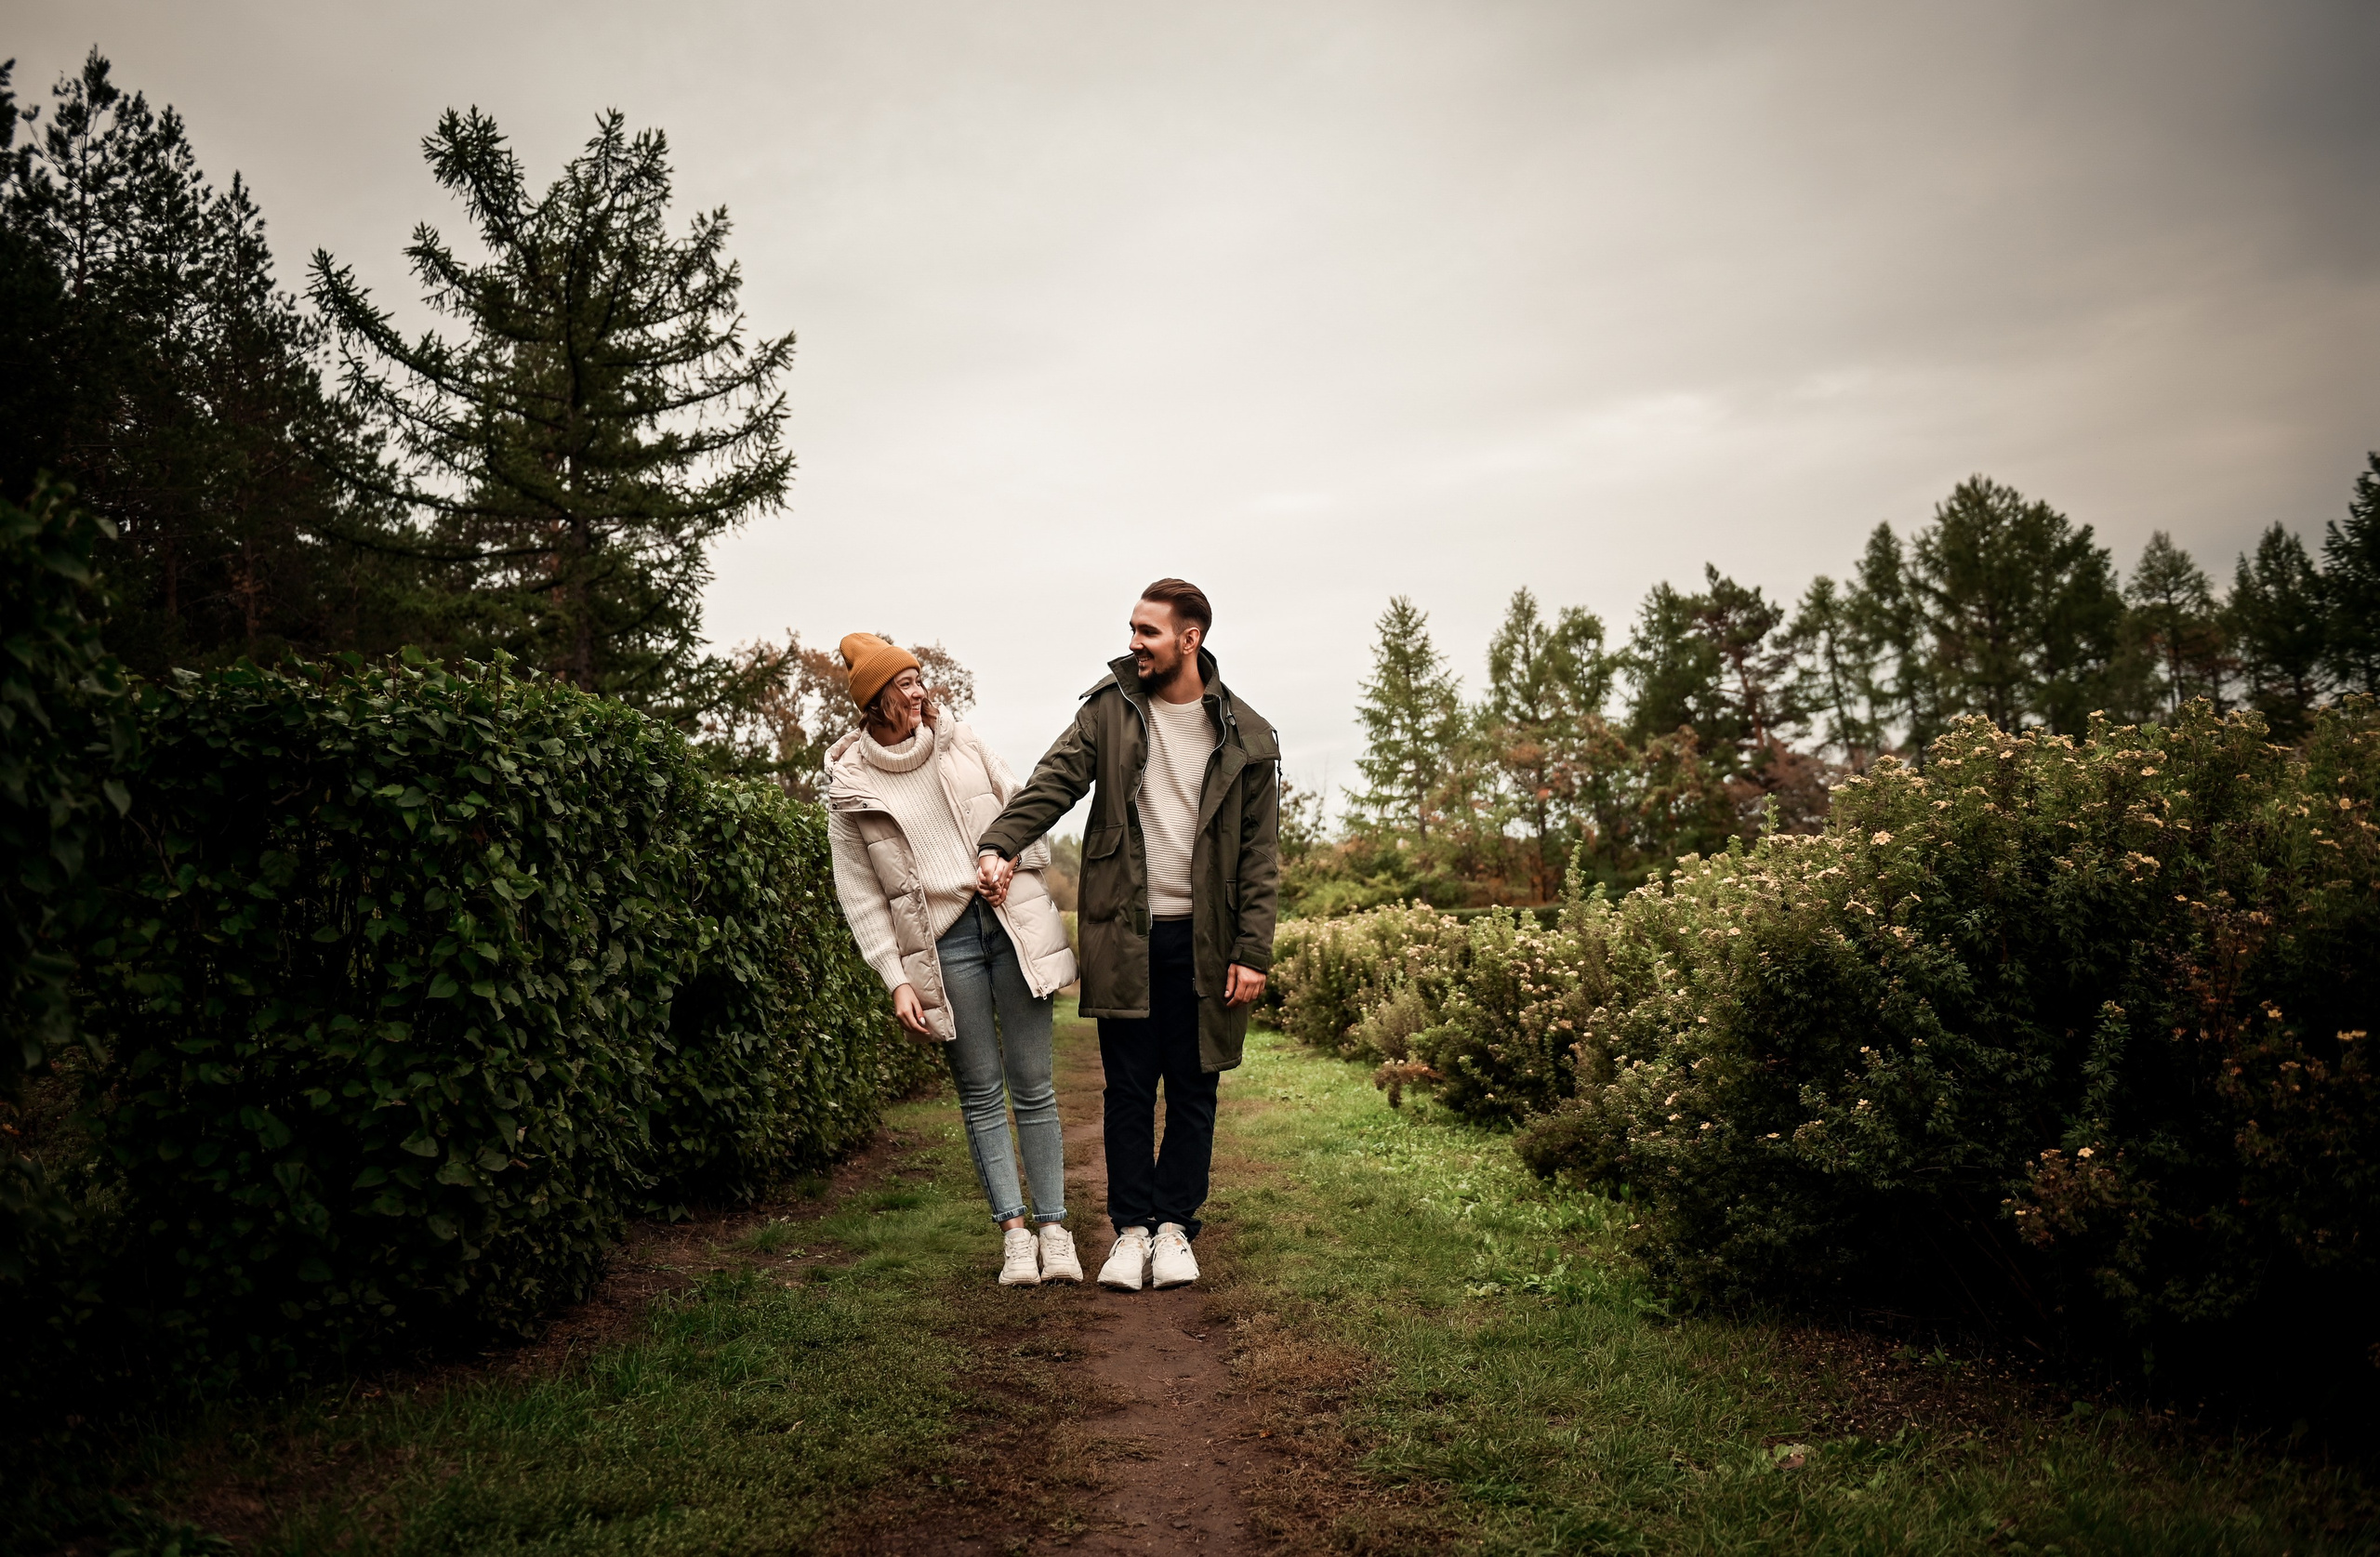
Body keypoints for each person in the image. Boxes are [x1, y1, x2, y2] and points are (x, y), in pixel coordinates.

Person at [975, 579, 1280, 1293]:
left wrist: (1253, 948)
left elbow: (1260, 856)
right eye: (1134, 628)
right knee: (1129, 1090)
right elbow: (1053, 782)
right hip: (1126, 934)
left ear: (1190, 638)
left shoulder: (1249, 734)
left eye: (1149, 631)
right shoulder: (1109, 711)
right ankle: (1129, 1231)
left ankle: (1175, 1228)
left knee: (1195, 1088)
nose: (1135, 642)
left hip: (1208, 943)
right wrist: (1003, 843)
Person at [825, 633, 1083, 1287]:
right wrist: (895, 979)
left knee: (1034, 1084)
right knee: (979, 1093)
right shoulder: (850, 790)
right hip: (942, 947)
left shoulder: (965, 743)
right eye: (906, 683)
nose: (921, 691)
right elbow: (861, 898)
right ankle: (1015, 1236)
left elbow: (1029, 813)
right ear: (877, 699)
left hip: (1007, 920)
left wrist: (1008, 859)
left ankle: (1055, 1228)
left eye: (919, 679)